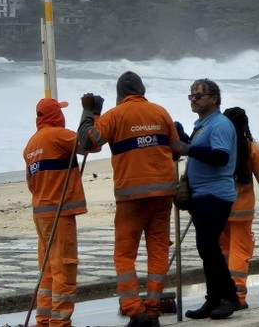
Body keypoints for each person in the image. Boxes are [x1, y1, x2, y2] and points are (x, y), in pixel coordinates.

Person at [77, 71, 180, 327]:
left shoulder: (115, 115)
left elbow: (87, 143)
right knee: (158, 251)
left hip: (131, 196)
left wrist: (90, 112)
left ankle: (135, 311)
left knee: (125, 255)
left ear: (119, 94)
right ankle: (152, 310)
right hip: (163, 194)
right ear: (142, 91)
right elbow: (176, 149)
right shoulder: (161, 112)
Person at [178, 78, 240, 320]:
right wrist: (183, 137)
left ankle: (229, 297)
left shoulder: (220, 124)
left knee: (209, 246)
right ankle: (213, 298)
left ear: (214, 99)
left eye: (199, 96)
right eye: (191, 96)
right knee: (206, 248)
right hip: (202, 194)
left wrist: (188, 149)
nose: (193, 99)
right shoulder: (203, 124)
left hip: (215, 193)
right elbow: (199, 149)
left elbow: (220, 157)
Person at [23, 97, 87, 327]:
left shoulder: (31, 145)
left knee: (48, 268)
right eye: (59, 111)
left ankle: (44, 319)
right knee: (64, 267)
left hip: (41, 214)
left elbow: (31, 183)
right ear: (54, 115)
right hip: (59, 213)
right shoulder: (58, 135)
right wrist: (90, 114)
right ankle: (59, 322)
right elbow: (89, 144)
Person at [219, 106, 259, 310]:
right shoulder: (250, 148)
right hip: (242, 211)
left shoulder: (220, 147)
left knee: (223, 251)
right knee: (239, 253)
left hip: (220, 207)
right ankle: (238, 296)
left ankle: (223, 293)